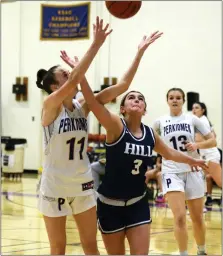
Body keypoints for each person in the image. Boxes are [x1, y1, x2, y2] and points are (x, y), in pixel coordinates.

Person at [78, 34, 210, 254]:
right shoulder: (115, 125)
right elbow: (91, 101)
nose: (136, 99)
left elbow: (170, 153)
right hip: (110, 204)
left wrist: (194, 160)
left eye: (140, 98)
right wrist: (80, 75)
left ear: (145, 109)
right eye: (131, 98)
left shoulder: (149, 132)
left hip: (138, 202)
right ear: (122, 108)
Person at [153, 88, 217, 256]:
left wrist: (197, 145)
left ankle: (201, 251)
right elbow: (149, 142)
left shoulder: (193, 119)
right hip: (171, 172)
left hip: (193, 170)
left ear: (183, 101)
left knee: (197, 218)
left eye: (178, 98)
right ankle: (183, 253)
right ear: (167, 100)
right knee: (180, 217)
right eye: (171, 98)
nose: (175, 100)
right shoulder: (159, 122)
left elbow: (213, 141)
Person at [192, 102, 222, 191]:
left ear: (203, 110)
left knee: (220, 182)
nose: (194, 110)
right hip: (204, 155)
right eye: (193, 108)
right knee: (194, 178)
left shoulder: (201, 121)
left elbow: (199, 139)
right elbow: (214, 135)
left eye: (197, 108)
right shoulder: (204, 120)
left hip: (210, 155)